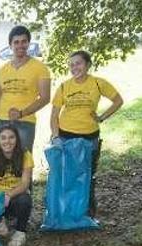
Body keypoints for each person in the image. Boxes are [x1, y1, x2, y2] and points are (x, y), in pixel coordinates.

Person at [50, 50, 123, 216]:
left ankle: (87, 213)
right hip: (66, 136)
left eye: (78, 63)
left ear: (88, 64)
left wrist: (102, 117)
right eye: (71, 64)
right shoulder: (63, 86)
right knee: (66, 175)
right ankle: (65, 211)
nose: (74, 67)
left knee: (88, 175)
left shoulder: (98, 83)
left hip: (90, 137)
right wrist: (55, 136)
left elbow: (118, 101)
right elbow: (54, 115)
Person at [0, 25, 51, 153]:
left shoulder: (40, 68)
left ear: (28, 43)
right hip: (2, 122)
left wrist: (22, 113)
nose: (20, 45)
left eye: (24, 41)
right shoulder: (2, 70)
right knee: (0, 164)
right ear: (10, 45)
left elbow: (45, 98)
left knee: (23, 163)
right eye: (16, 42)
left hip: (25, 122)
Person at [0, 124, 34, 246]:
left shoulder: (25, 155)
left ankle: (20, 232)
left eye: (11, 137)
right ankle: (0, 222)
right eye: (3, 138)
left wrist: (8, 195)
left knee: (25, 200)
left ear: (17, 139)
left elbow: (25, 184)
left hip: (15, 197)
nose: (7, 141)